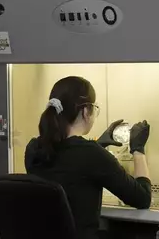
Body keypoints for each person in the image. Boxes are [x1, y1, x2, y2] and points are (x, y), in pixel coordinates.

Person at [25, 76, 152, 239]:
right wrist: (138, 149)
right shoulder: (91, 154)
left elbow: (68, 163)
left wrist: (98, 145)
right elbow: (142, 198)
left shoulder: (34, 148)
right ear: (86, 111)